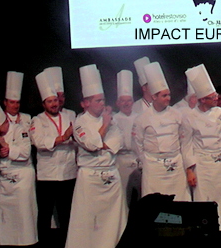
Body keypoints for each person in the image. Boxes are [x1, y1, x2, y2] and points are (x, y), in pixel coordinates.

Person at [65, 65, 128, 248]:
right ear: (86, 103)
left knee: (114, 219)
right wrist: (105, 127)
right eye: (98, 100)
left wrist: (102, 141)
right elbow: (91, 144)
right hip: (90, 178)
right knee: (89, 220)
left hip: (111, 175)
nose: (102, 104)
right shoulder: (80, 122)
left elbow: (119, 142)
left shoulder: (110, 119)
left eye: (103, 100)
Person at [182, 64, 221, 231]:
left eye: (215, 96)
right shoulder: (190, 117)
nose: (216, 99)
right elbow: (187, 144)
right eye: (212, 97)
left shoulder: (220, 114)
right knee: (205, 200)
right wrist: (190, 170)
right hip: (203, 165)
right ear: (202, 100)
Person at [0, 98, 38, 246]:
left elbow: (25, 152)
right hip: (5, 181)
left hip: (22, 178)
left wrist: (9, 149)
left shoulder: (20, 130)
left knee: (24, 217)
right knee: (6, 219)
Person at [132, 62, 192, 201]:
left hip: (175, 166)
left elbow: (184, 140)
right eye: (164, 96)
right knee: (154, 202)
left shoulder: (177, 115)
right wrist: (147, 162)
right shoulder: (142, 118)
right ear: (154, 97)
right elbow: (137, 144)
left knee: (179, 200)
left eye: (169, 95)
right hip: (153, 168)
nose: (168, 98)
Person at [32, 70, 77, 245]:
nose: (54, 104)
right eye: (49, 101)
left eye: (55, 101)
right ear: (43, 104)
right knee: (45, 213)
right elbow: (39, 142)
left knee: (66, 213)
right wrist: (63, 137)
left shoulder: (70, 116)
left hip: (68, 173)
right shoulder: (37, 120)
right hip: (47, 175)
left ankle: (68, 244)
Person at [113, 70, 142, 206]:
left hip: (137, 160)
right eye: (123, 101)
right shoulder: (113, 119)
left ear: (133, 102)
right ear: (118, 103)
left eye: (129, 100)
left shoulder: (139, 118)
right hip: (120, 162)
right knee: (123, 197)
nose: (126, 103)